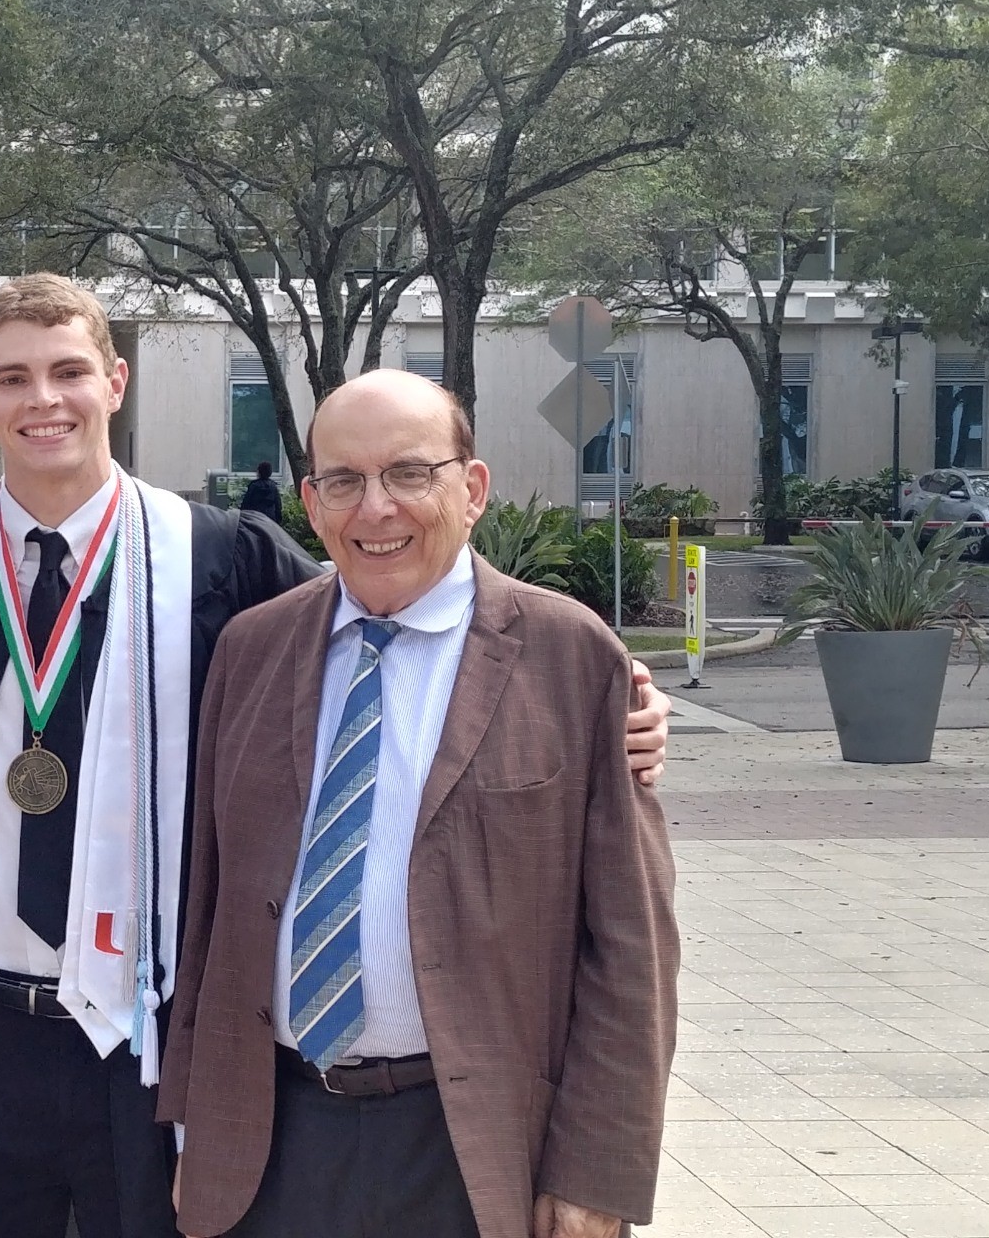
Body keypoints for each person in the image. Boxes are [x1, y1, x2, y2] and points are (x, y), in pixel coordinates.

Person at [0, 275, 675, 1238]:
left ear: (117, 382)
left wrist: (620, 694)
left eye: (68, 371)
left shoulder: (219, 557)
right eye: (12, 378)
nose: (43, 399)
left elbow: (404, 598)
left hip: (140, 1029)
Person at [160, 370, 679, 1238]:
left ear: (469, 489)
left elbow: (631, 944)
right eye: (344, 481)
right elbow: (209, 908)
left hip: (470, 1144)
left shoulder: (570, 656)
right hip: (272, 1141)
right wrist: (190, 1127)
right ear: (310, 502)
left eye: (409, 474)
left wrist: (598, 1171)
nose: (376, 510)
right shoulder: (251, 651)